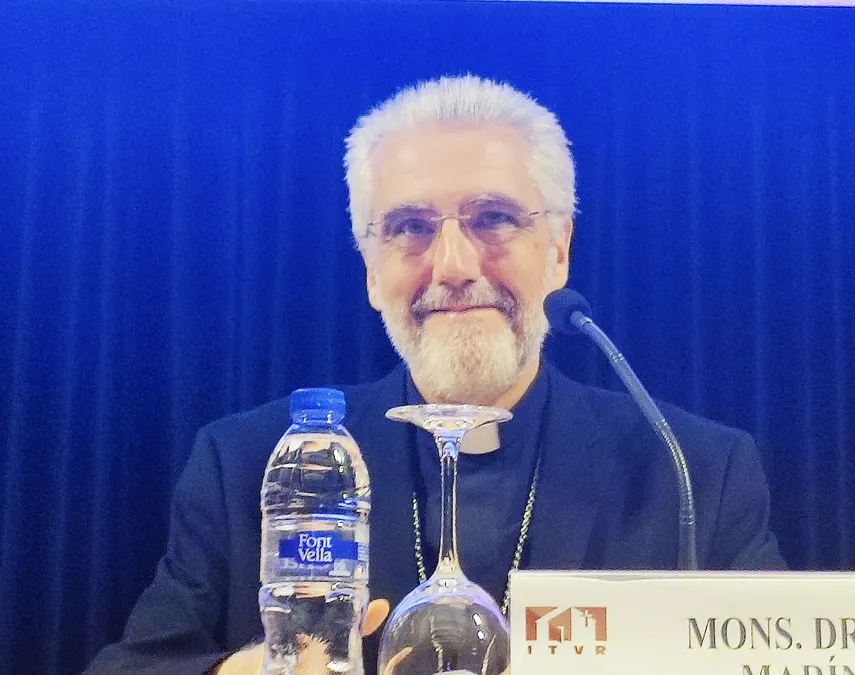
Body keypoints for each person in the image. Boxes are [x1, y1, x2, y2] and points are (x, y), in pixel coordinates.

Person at [85, 75, 785, 675]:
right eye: (411, 227)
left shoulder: (692, 471)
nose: (453, 266)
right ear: (371, 269)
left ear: (559, 250)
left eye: (494, 218)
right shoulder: (248, 460)